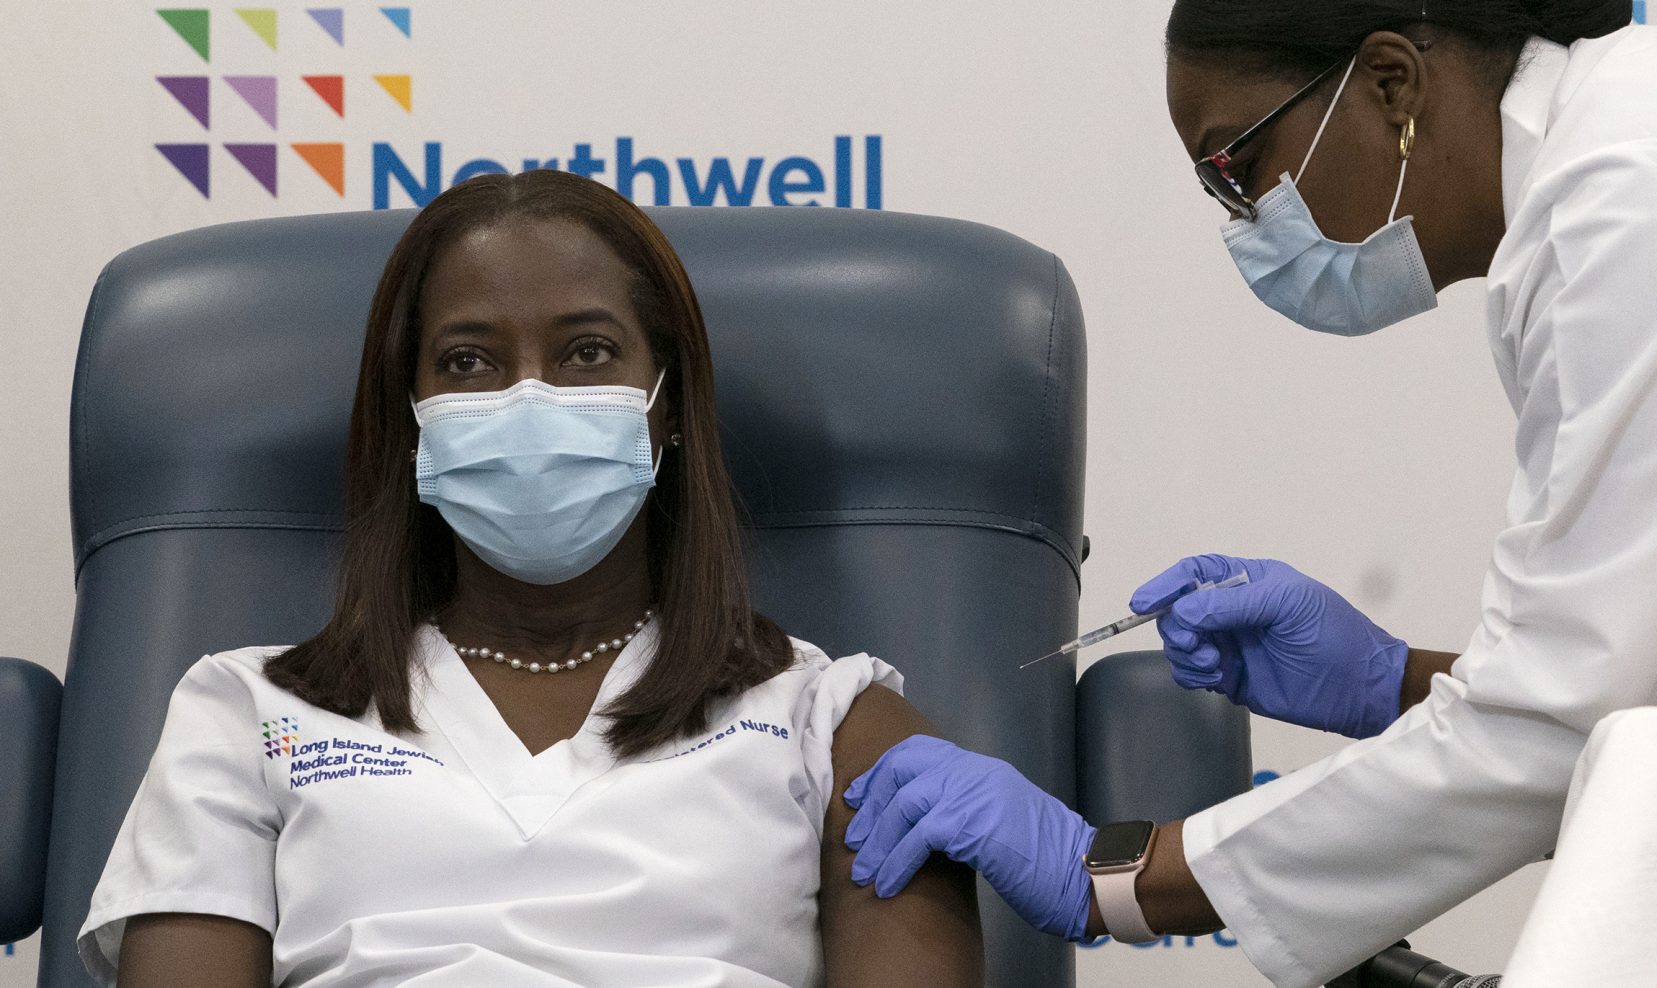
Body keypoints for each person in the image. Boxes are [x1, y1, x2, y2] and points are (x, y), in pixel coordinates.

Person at [841, 2, 1657, 985]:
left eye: (1236, 165)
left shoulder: (1647, 194)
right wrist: (1394, 679)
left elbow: (1558, 725)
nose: (1243, 218)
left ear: (1393, 83)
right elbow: (1647, 694)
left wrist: (1111, 878)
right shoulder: (1619, 178)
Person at [77, 170, 983, 988]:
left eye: (587, 352)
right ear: (415, 417)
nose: (528, 397)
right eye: (468, 361)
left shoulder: (832, 720)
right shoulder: (244, 712)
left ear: (666, 405)